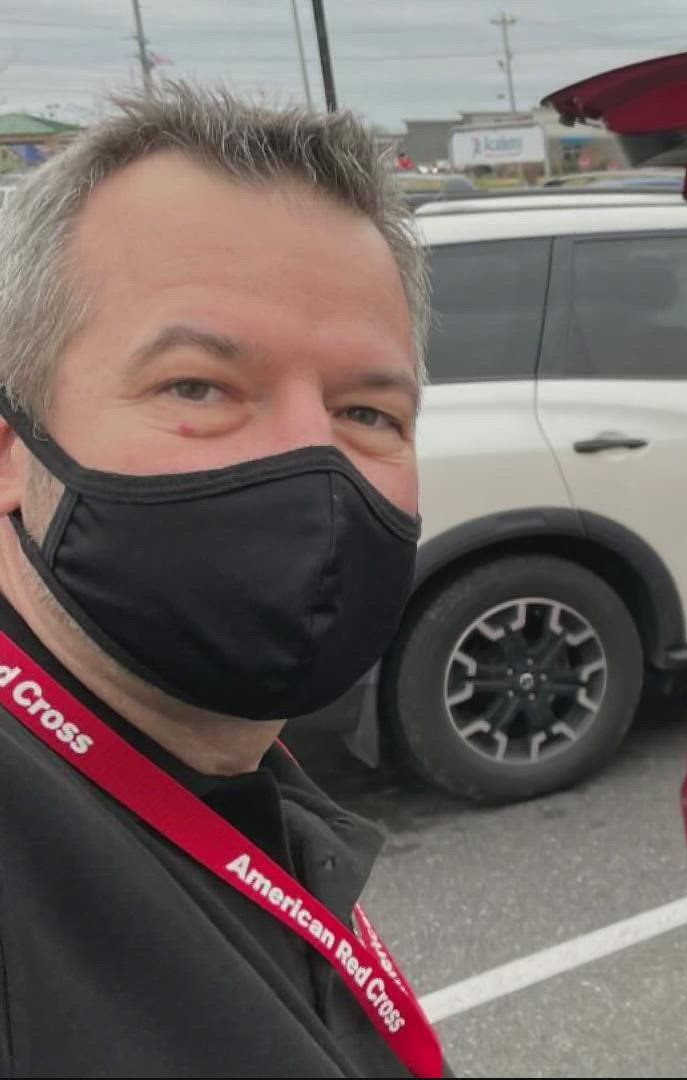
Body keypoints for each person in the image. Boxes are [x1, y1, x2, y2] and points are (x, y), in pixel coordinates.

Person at [0, 85, 444, 1076]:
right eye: (197, 386)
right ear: (8, 454)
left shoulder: (231, 779)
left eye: (368, 412)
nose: (312, 464)